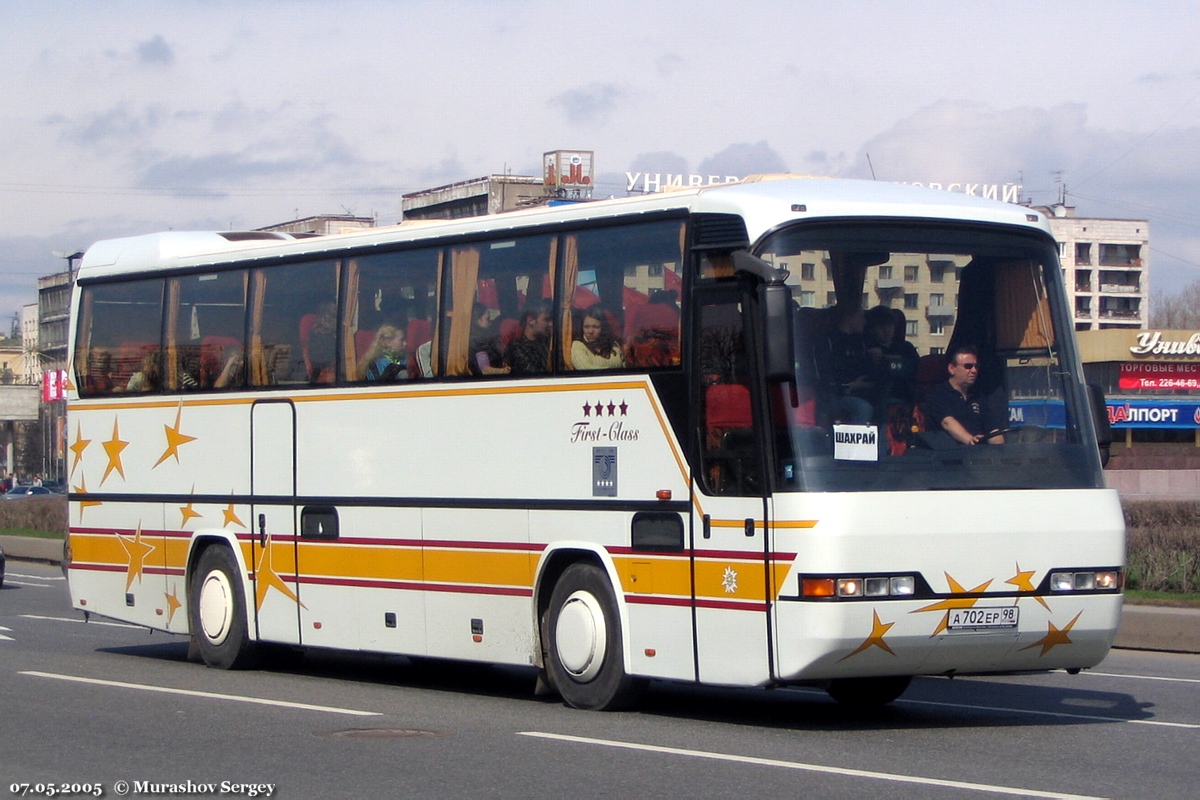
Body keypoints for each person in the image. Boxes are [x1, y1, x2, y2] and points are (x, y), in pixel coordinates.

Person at [921, 344, 1005, 445]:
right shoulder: (938, 394)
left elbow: (993, 429)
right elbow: (947, 423)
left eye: (976, 366)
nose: (974, 370)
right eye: (968, 366)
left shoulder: (979, 396)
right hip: (947, 455)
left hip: (979, 455)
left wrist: (999, 446)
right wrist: (971, 441)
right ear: (951, 368)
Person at [813, 304, 882, 424]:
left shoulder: (861, 342)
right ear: (848, 318)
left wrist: (878, 360)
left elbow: (867, 371)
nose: (864, 322)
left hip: (862, 393)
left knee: (885, 404)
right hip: (833, 396)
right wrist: (850, 386)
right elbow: (822, 378)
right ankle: (855, 442)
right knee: (863, 408)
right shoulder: (826, 342)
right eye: (861, 318)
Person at [504, 302, 553, 375]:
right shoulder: (516, 347)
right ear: (530, 321)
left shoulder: (548, 341)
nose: (550, 324)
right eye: (546, 319)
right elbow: (535, 374)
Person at [571, 305, 624, 370]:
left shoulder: (613, 344)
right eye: (586, 327)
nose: (590, 331)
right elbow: (586, 369)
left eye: (595, 327)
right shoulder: (578, 345)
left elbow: (624, 366)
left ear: (603, 327)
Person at [468, 303, 509, 376]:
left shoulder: (488, 338)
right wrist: (504, 371)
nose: (490, 323)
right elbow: (485, 370)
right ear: (478, 320)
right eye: (488, 319)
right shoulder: (478, 341)